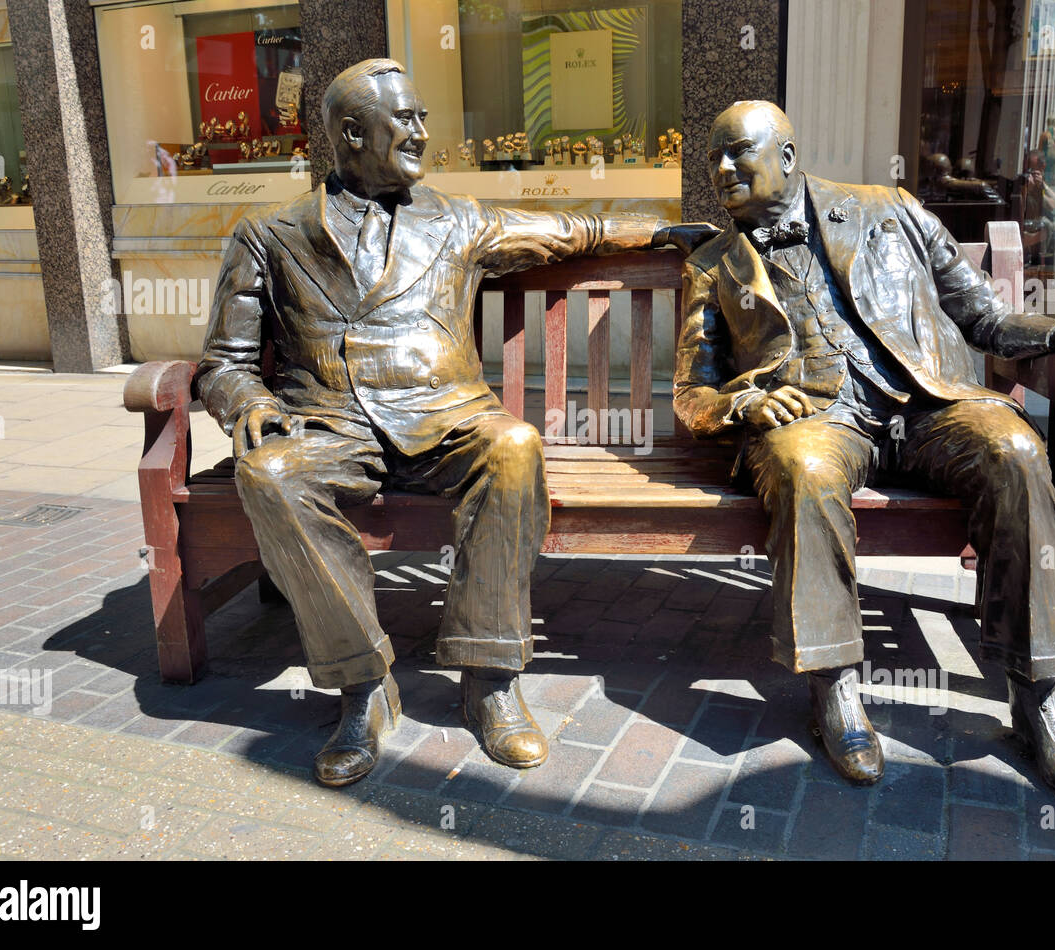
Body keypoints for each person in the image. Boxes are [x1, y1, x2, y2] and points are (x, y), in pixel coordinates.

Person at [197, 58, 713, 787]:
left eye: (420, 115)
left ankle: (488, 680)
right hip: (332, 421)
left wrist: (659, 231)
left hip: (447, 417)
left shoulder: (459, 217)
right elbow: (224, 360)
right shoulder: (269, 233)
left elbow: (570, 229)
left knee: (514, 447)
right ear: (350, 132)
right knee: (268, 475)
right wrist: (248, 403)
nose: (421, 130)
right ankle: (364, 686)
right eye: (403, 118)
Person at [673, 101, 1055, 802]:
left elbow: (985, 319)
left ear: (787, 158)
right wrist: (744, 404)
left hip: (926, 403)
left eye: (737, 153)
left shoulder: (891, 209)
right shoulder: (713, 263)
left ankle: (1037, 700)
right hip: (819, 417)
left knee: (1014, 448)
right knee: (803, 466)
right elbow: (692, 391)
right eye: (712, 160)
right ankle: (836, 692)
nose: (721, 170)